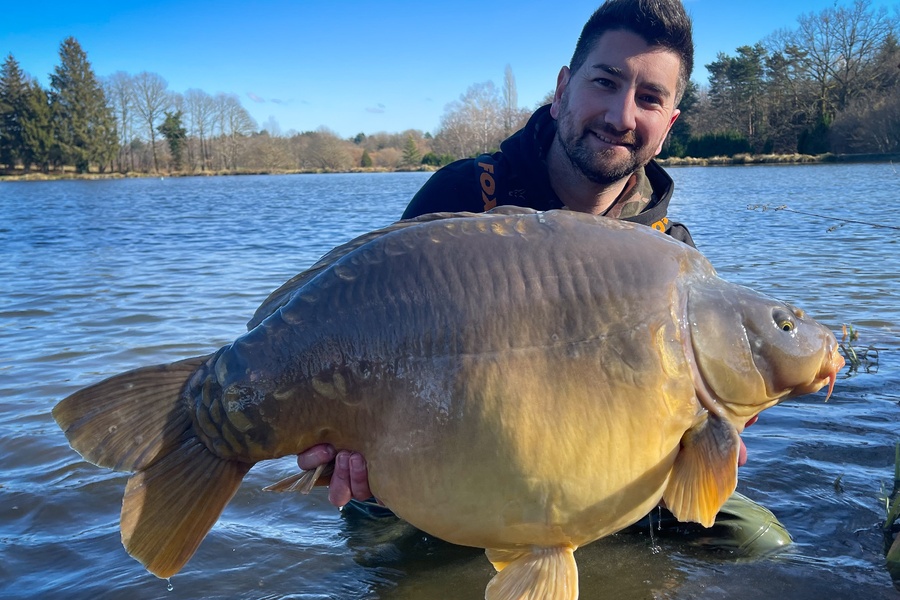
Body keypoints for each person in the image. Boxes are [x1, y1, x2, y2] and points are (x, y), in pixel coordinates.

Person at [296, 0, 792, 555]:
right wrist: (348, 445)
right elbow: (374, 337)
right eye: (605, 82)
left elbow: (698, 442)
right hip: (454, 461)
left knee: (758, 545)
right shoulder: (462, 196)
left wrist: (712, 443)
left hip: (604, 481)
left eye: (650, 98)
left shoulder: (672, 253)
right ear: (562, 91)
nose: (622, 115)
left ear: (668, 125)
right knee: (380, 539)